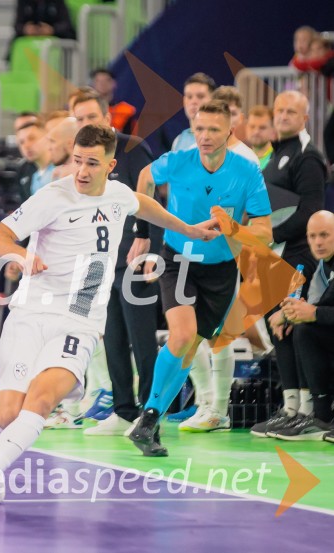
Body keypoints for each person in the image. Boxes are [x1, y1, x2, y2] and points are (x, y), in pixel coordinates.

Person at [0, 124, 219, 508]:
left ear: (110, 165)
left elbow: (145, 205)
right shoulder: (53, 196)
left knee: (42, 401)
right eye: (77, 160)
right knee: (10, 414)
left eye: (92, 163)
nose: (81, 170)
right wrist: (22, 255)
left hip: (80, 320)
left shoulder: (118, 194)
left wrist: (189, 230)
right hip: (31, 313)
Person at [127, 100, 273, 457]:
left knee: (190, 347)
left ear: (229, 132)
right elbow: (145, 178)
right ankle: (148, 415)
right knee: (181, 335)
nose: (205, 136)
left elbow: (265, 232)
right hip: (178, 260)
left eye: (213, 129)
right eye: (199, 129)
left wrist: (233, 227)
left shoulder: (246, 171)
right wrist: (142, 231)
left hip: (221, 270)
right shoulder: (178, 161)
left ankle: (150, 422)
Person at [70, 87, 159, 437]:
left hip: (136, 258)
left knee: (142, 340)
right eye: (79, 119)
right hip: (101, 262)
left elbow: (150, 198)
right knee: (112, 339)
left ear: (107, 118)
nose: (86, 124)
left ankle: (150, 413)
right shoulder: (81, 158)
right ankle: (123, 411)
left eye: (92, 117)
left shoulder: (133, 147)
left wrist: (150, 246)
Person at [250, 90, 327, 437]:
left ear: (304, 118)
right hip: (274, 255)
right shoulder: (277, 153)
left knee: (294, 326)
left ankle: (309, 411)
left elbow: (310, 212)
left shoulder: (307, 156)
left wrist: (270, 235)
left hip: (297, 255)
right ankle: (290, 406)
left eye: (291, 112)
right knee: (276, 327)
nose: (282, 116)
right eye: (279, 110)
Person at [267, 210, 334, 441]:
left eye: (324, 235)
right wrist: (292, 313)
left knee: (307, 325)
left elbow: (318, 311)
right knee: (292, 326)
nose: (318, 242)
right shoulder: (322, 268)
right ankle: (306, 412)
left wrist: (313, 313)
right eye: (312, 236)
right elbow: (317, 305)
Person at [172, 72, 216, 152]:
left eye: (200, 96)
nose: (193, 102)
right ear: (184, 101)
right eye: (189, 97)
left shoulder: (222, 138)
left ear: (213, 101)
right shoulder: (178, 141)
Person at [90, 68, 138, 135]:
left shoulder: (127, 110)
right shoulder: (88, 109)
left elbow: (131, 136)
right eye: (98, 81)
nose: (102, 84)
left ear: (114, 83)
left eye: (107, 80)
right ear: (93, 85)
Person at [245, 105, 275, 170]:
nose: (256, 132)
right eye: (252, 127)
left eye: (262, 128)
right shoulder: (240, 157)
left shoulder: (278, 158)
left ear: (273, 130)